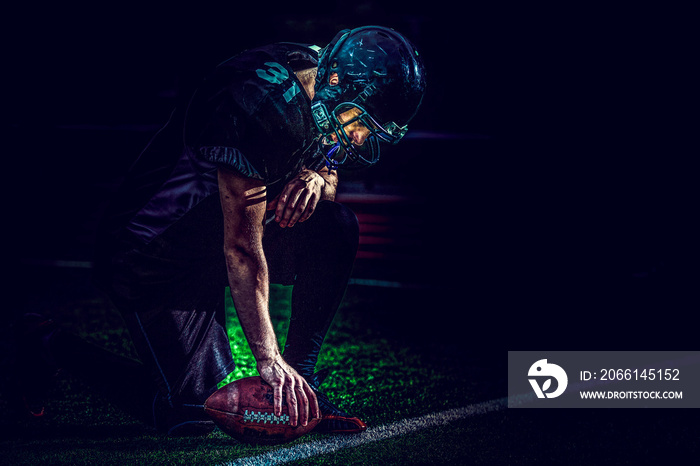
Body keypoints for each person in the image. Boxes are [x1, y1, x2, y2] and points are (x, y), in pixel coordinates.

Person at [13, 25, 426, 437]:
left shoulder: (320, 74)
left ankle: (304, 383)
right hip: (154, 255)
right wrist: (267, 358)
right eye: (360, 121)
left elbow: (329, 167)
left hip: (210, 235)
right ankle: (48, 344)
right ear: (338, 81)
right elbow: (242, 249)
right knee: (192, 415)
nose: (358, 136)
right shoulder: (259, 105)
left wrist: (318, 178)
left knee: (335, 228)